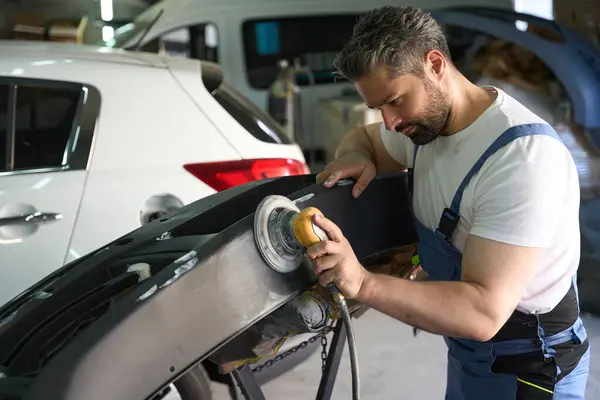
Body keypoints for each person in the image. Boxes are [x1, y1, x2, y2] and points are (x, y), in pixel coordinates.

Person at [307, 5, 590, 399]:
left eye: (395, 101)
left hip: (531, 371)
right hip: (469, 357)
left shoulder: (519, 159)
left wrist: (365, 283)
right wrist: (354, 154)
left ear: (435, 64)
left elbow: (483, 311)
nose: (389, 122)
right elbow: (367, 138)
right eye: (378, 109)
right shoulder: (425, 127)